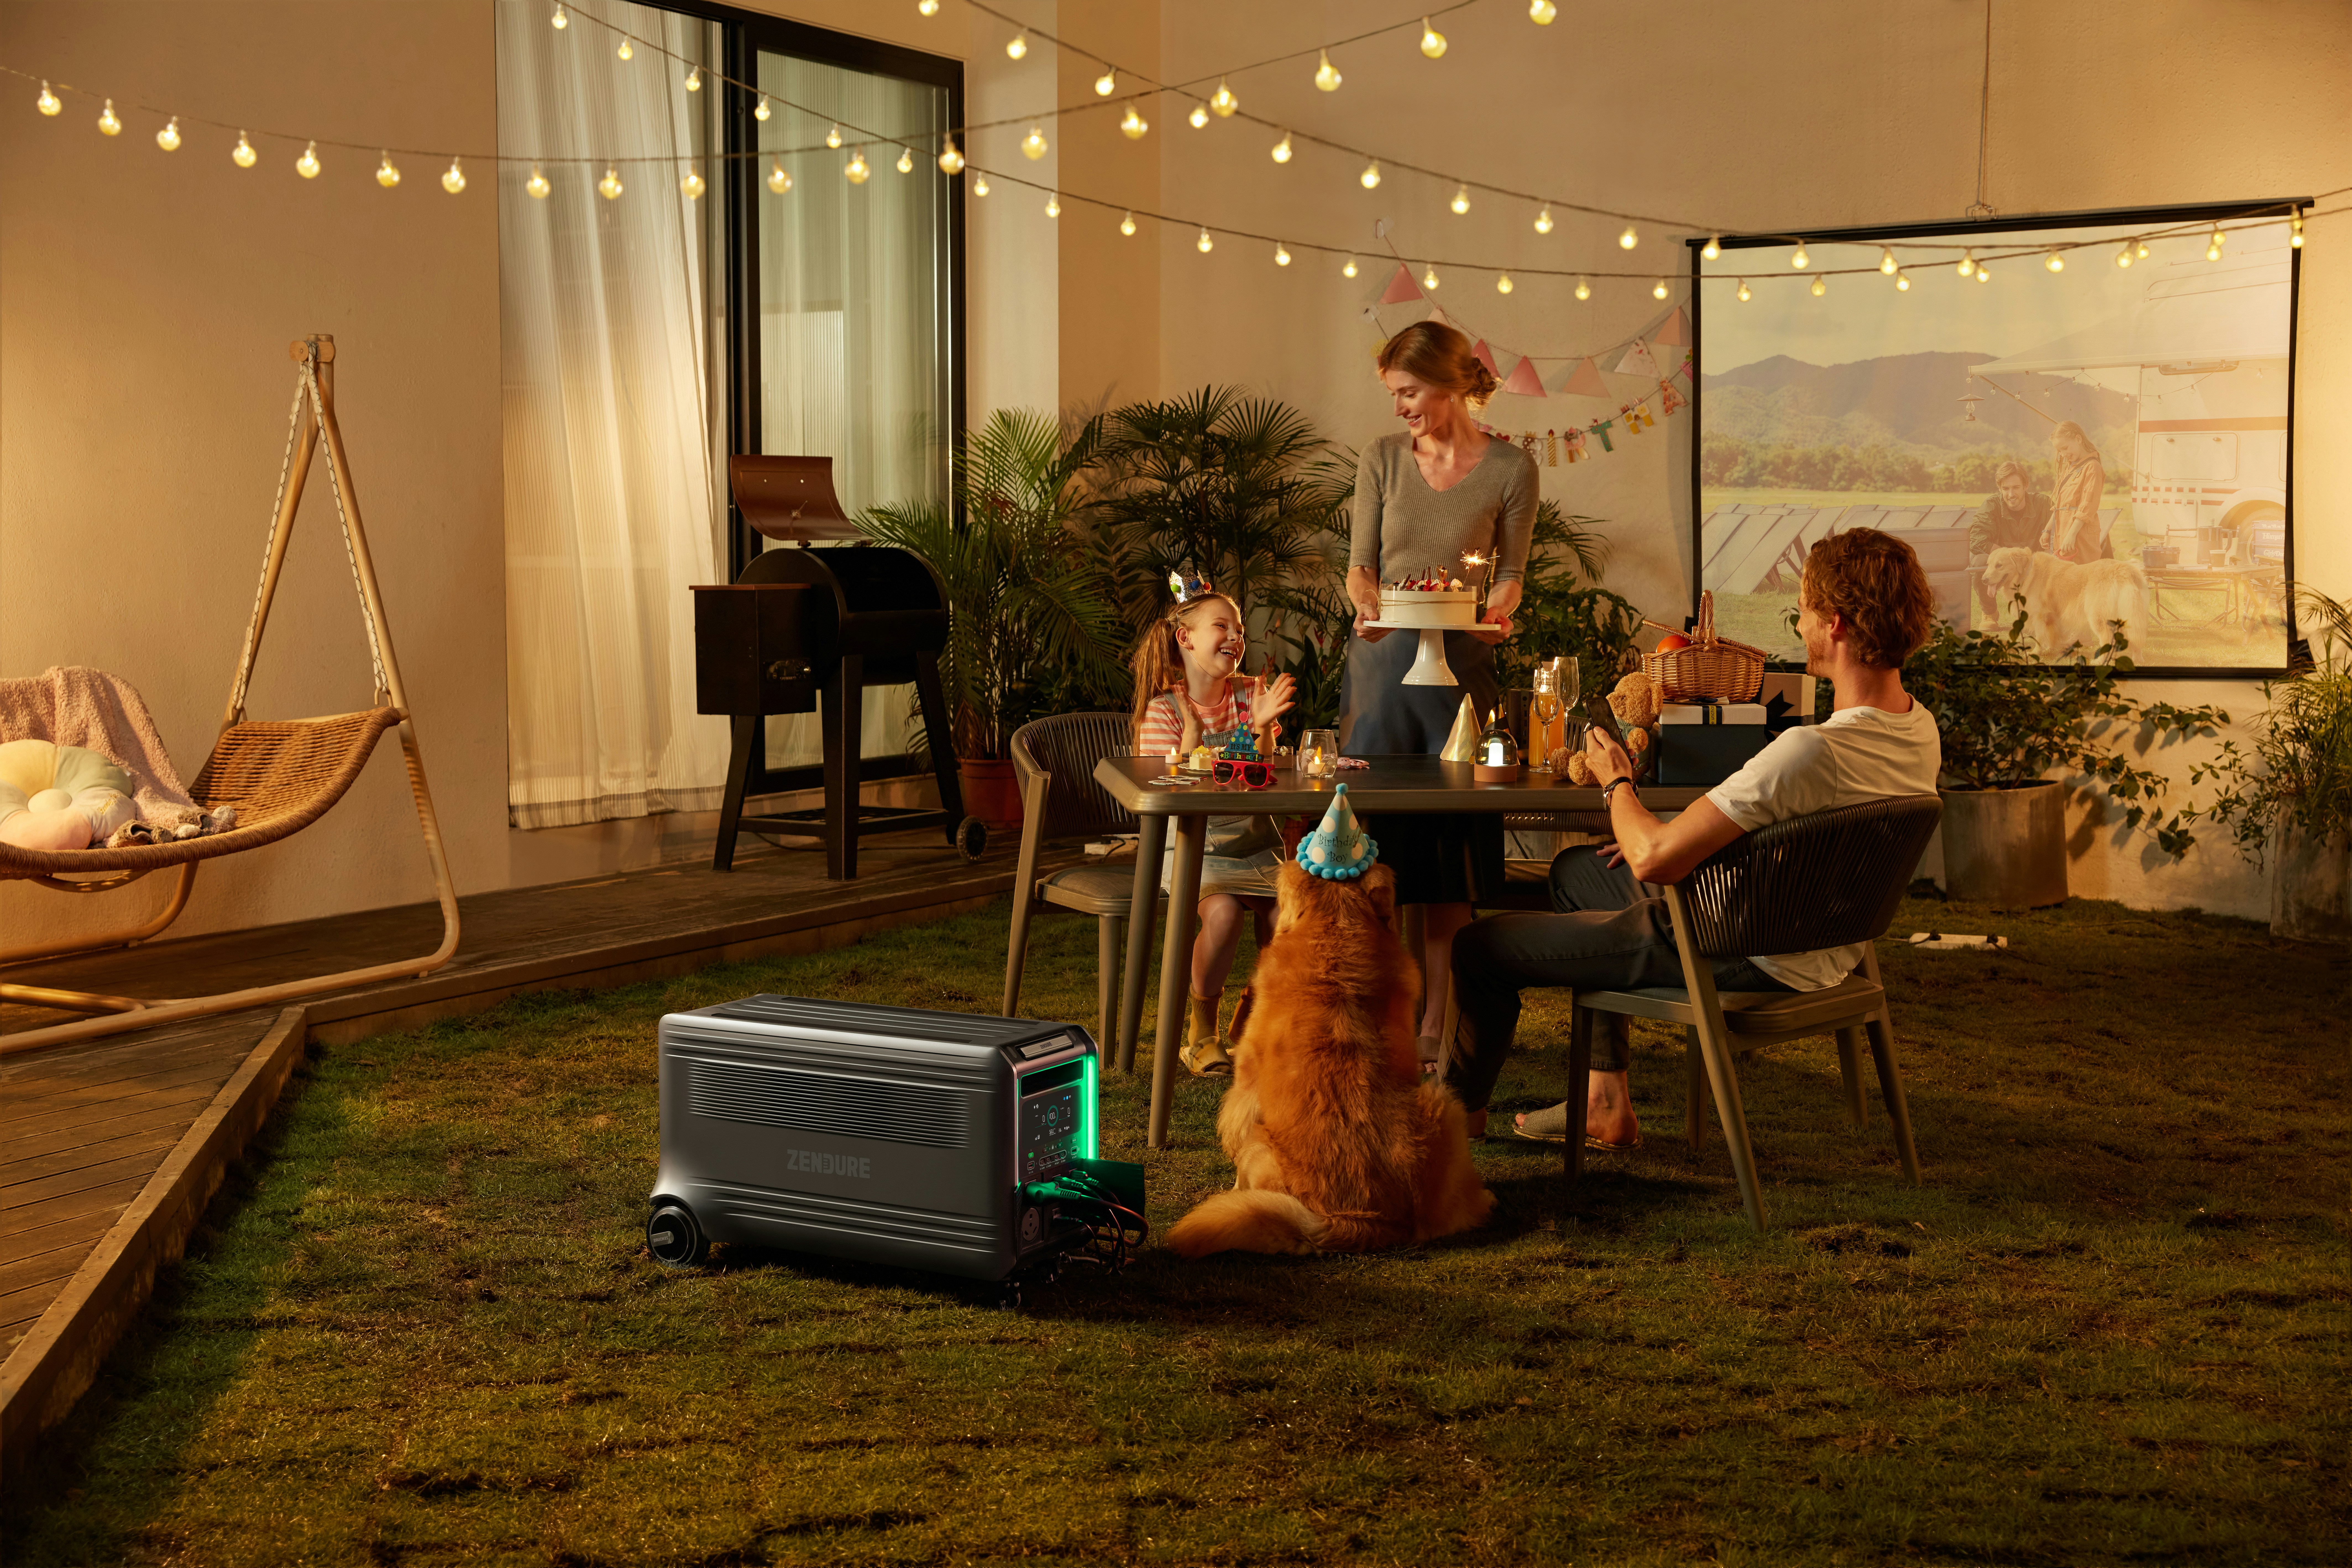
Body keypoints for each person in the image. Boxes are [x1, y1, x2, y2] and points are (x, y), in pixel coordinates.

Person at [1442, 528, 1942, 1146]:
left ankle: (1443, 1134)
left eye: (1805, 609)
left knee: (1478, 948)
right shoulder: (1917, 728)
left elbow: (1654, 858)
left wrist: (1615, 784)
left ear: (1835, 624)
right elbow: (1802, 840)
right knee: (1578, 872)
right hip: (1811, 937)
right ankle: (1604, 1104)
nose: (1801, 623)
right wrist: (1663, 842)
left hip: (1737, 946)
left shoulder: (1809, 752)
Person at [1342, 321, 1537, 1067]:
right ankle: (1378, 1024)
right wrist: (1367, 604)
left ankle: (1436, 1031)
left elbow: (1512, 573)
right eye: (1393, 394)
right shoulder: (1382, 460)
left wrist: (1499, 612)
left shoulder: (1512, 470)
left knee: (1450, 863)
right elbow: (1359, 566)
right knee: (1374, 861)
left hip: (1463, 669)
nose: (1399, 408)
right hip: (1379, 669)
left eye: (1409, 392)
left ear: (1451, 384)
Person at [1131, 582, 1296, 1077]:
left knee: (1286, 918)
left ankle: (1255, 1020)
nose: (1235, 637)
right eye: (1222, 626)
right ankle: (1200, 1035)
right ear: (1185, 637)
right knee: (1222, 916)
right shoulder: (1163, 709)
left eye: (1240, 629)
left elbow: (1263, 772)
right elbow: (1176, 790)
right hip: (1193, 843)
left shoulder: (1251, 694)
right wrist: (1191, 740)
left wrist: (1264, 727)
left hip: (1256, 839)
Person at [1968, 460, 2052, 620]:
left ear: (2026, 486)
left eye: (2016, 488)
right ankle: (1989, 613)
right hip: (2000, 561)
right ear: (2000, 489)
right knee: (1979, 564)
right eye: (2006, 489)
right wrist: (2006, 557)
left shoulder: (2043, 503)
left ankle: (2042, 615)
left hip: (2035, 561)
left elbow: (2061, 531)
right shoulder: (1991, 505)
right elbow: (1976, 539)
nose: (2011, 495)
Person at [2041, 421, 2110, 564]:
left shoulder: (2093, 467)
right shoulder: (2071, 468)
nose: (2064, 455)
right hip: (2063, 531)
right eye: (2060, 451)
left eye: (2065, 448)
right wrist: (2047, 530)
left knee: (2081, 577)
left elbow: (2088, 507)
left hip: (2080, 534)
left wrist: (2071, 535)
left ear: (2079, 440)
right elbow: (2060, 505)